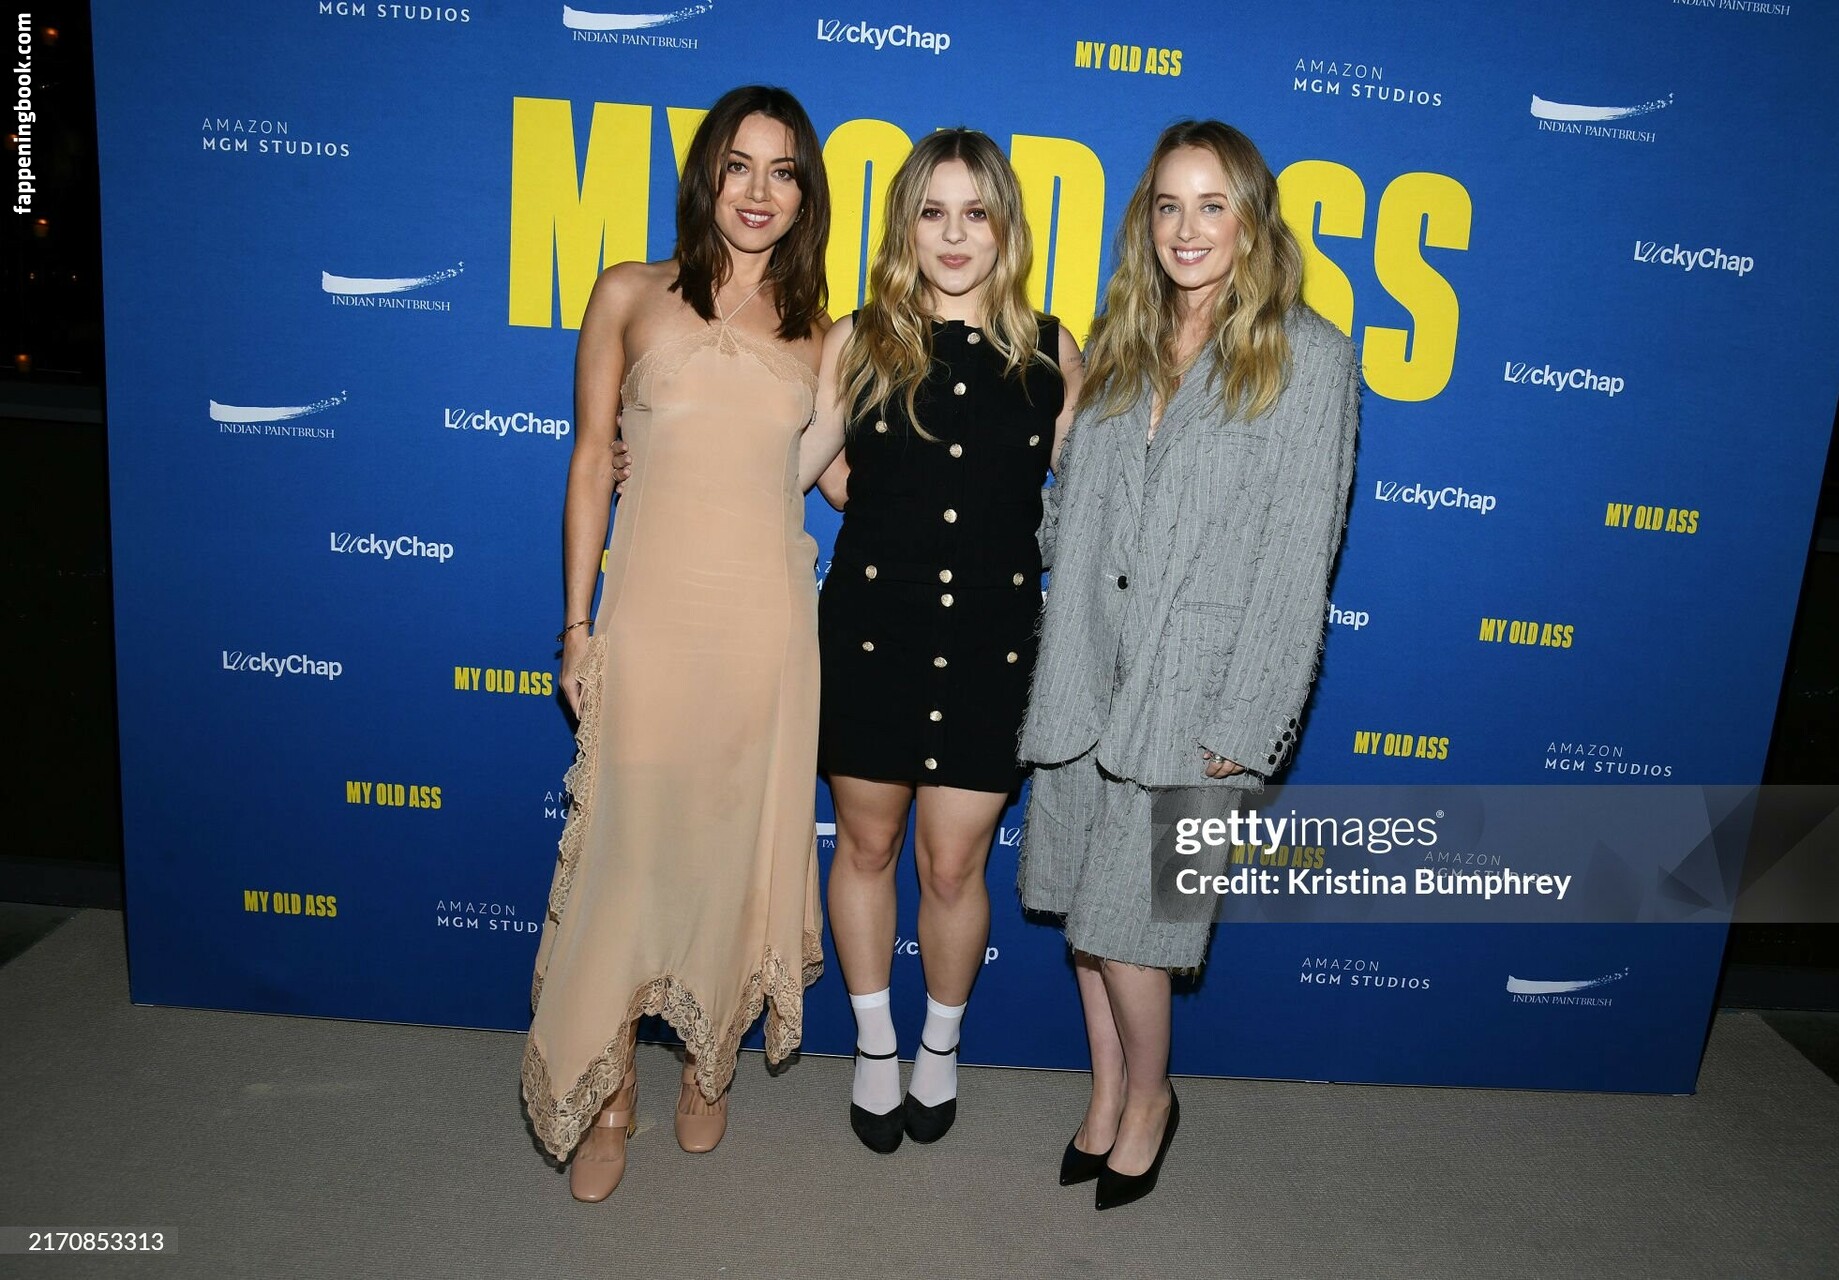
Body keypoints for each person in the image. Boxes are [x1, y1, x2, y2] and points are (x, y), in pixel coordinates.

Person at [1018, 120, 1359, 1210]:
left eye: (1213, 205)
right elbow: (1076, 511)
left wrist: (1250, 716)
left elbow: (1301, 557)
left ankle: (1153, 1101)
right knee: (1084, 920)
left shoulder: (1309, 355)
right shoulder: (1123, 339)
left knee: (1135, 932)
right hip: (1087, 670)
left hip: (1197, 690)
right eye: (1168, 204)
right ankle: (1106, 1093)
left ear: (1252, 219)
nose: (1187, 227)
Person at [520, 84, 831, 1203]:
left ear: (805, 194)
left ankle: (710, 1064)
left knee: (732, 849)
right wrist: (576, 625)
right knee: (629, 853)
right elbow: (588, 461)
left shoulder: (824, 333)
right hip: (649, 618)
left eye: (783, 171)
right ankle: (609, 1093)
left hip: (767, 632)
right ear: (706, 176)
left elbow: (846, 478)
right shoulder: (627, 292)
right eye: (739, 165)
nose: (759, 191)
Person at [797, 128, 1081, 1154]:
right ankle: (875, 1044)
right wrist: (657, 450)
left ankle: (940, 1045)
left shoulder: (1052, 351)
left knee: (955, 866)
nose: (954, 235)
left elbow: (1094, 504)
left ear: (1006, 228)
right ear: (904, 227)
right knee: (867, 846)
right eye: (932, 212)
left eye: (976, 212)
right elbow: (800, 469)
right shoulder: (858, 339)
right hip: (872, 636)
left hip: (994, 647)